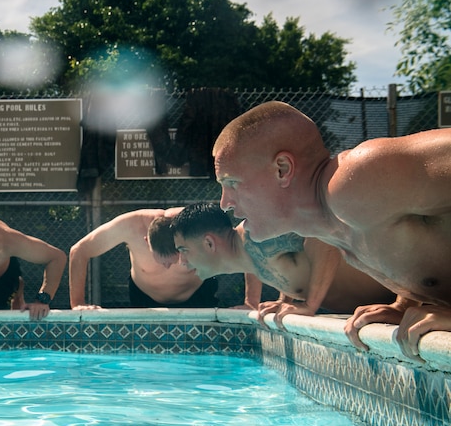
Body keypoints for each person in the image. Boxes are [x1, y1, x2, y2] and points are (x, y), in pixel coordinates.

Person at [213, 100, 451, 361]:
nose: (225, 202)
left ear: (282, 169)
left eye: (232, 182)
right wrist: (404, 305)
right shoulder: (334, 229)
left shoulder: (358, 178)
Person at [170, 202, 395, 323]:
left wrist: (310, 305)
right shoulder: (248, 253)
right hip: (387, 303)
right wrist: (285, 298)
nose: (182, 261)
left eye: (183, 250)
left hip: (409, 296)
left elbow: (321, 235)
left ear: (209, 243)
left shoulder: (258, 234)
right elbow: (283, 264)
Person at [69, 208, 218, 309]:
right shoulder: (130, 226)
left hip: (198, 295)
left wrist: (243, 302)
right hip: (144, 298)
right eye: (162, 260)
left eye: (174, 259)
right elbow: (79, 250)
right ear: (146, 241)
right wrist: (77, 304)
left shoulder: (198, 226)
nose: (167, 267)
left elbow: (239, 243)